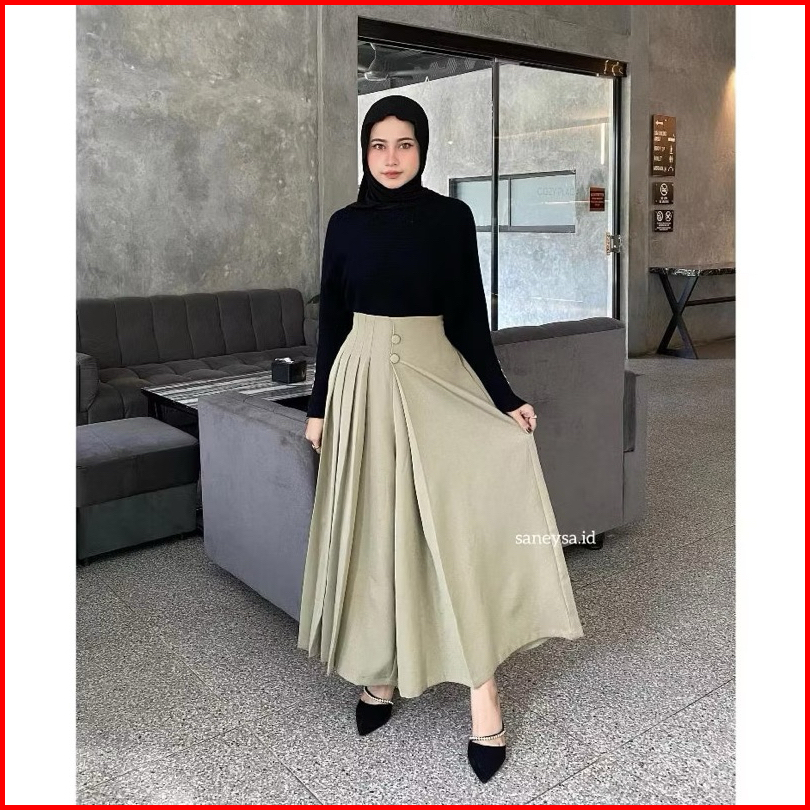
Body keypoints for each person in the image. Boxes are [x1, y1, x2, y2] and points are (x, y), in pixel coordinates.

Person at [297, 95, 583, 784]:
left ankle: (484, 695)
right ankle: (380, 672)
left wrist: (502, 396)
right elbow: (332, 319)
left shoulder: (450, 218)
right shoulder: (344, 225)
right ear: (365, 152)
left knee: (452, 531)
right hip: (360, 384)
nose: (391, 157)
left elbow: (466, 315)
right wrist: (319, 406)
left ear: (422, 149)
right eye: (378, 145)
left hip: (434, 377)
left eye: (404, 144)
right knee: (376, 531)